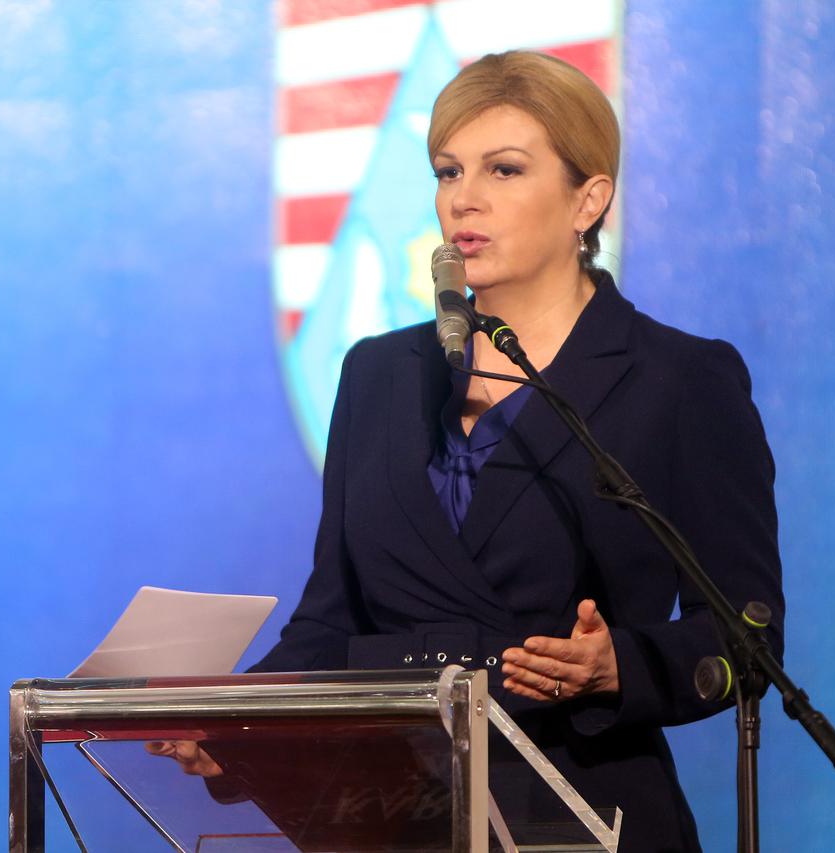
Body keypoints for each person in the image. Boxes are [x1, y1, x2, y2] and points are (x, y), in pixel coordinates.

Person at [245, 51, 785, 852]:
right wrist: (233, 718)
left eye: (503, 169)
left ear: (588, 200)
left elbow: (748, 636)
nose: (463, 197)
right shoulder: (378, 374)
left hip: (588, 809)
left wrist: (618, 664)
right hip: (400, 819)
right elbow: (333, 618)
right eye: (448, 170)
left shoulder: (678, 379)